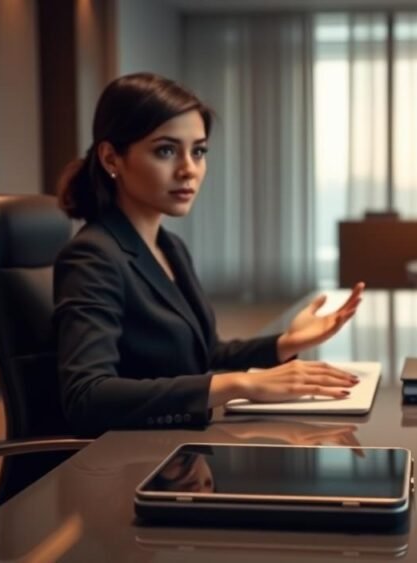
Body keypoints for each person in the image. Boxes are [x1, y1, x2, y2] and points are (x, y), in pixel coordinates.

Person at [53, 73, 364, 436]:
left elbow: (205, 355)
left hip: (180, 446)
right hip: (128, 458)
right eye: (166, 150)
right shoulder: (93, 256)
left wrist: (285, 344)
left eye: (198, 151)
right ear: (111, 158)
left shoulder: (170, 247)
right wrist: (240, 384)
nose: (189, 169)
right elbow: (87, 397)